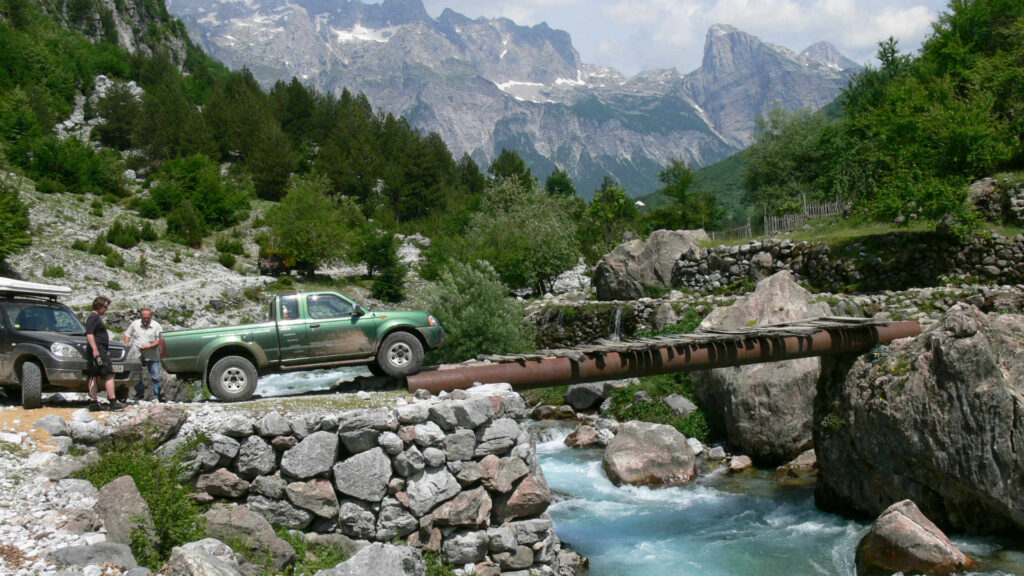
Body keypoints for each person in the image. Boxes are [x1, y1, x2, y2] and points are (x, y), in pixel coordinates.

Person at [86, 296, 123, 411]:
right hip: (99, 350)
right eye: (105, 307)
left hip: (98, 349)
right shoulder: (93, 317)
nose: (106, 309)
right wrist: (95, 349)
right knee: (109, 374)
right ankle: (112, 400)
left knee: (94, 375)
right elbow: (89, 334)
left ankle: (93, 402)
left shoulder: (94, 317)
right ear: (99, 306)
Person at [124, 307, 163, 402]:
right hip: (137, 353)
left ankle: (157, 396)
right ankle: (140, 394)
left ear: (151, 316)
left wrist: (149, 346)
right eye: (144, 317)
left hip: (152, 354)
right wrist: (126, 346)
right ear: (141, 316)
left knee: (156, 376)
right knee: (136, 374)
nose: (146, 319)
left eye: (148, 317)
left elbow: (160, 340)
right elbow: (127, 335)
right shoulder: (135, 324)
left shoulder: (156, 326)